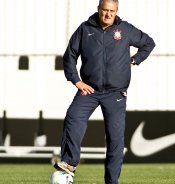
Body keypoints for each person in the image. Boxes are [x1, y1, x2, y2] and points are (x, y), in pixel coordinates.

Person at [54, 0, 155, 183]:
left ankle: (111, 181)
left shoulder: (125, 29)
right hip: (89, 90)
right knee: (73, 117)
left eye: (112, 11)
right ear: (98, 9)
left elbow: (148, 43)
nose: (108, 14)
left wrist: (135, 60)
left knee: (115, 140)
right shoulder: (85, 29)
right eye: (105, 10)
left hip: (116, 93)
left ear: (116, 11)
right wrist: (76, 80)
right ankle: (69, 163)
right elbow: (70, 55)